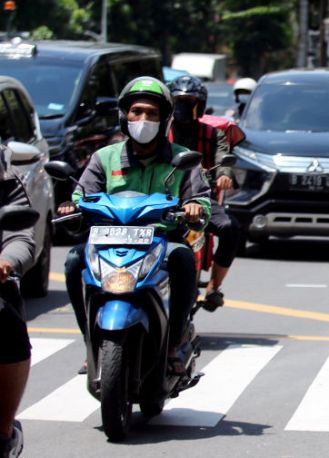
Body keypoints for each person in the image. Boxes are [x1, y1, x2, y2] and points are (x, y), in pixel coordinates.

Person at [59, 77, 210, 374]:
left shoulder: (181, 160)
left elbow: (203, 201)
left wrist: (194, 209)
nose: (143, 120)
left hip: (161, 241)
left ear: (165, 119)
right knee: (73, 261)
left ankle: (174, 341)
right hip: (106, 242)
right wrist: (72, 206)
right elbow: (82, 193)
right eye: (137, 112)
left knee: (183, 260)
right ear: (124, 116)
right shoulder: (105, 157)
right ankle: (91, 340)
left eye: (152, 114)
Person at [167, 74, 242, 310]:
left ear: (200, 105)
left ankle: (213, 286)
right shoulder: (159, 134)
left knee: (231, 228)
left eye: (190, 102)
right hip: (162, 198)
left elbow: (224, 160)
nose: (184, 107)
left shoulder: (212, 134)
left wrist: (224, 175)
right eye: (179, 102)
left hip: (201, 198)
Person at [0, 146, 36, 458]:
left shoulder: (4, 174)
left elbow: (21, 237)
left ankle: (3, 432)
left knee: (5, 316)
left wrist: (6, 261)